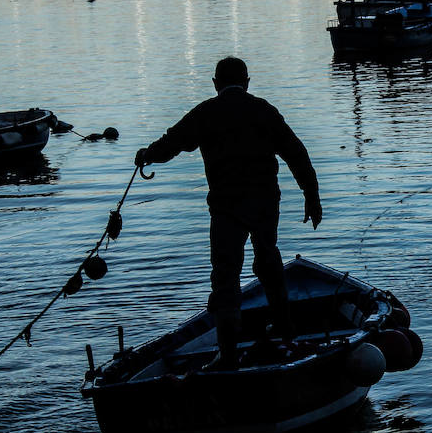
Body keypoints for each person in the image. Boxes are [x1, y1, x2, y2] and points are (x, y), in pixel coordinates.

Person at [135, 57, 322, 370]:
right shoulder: (263, 110)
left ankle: (228, 354)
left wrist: (147, 156)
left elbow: (173, 142)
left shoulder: (206, 112)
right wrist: (311, 196)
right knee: (268, 259)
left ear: (215, 83)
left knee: (226, 276)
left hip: (226, 208)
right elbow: (296, 153)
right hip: (264, 203)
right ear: (247, 82)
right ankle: (286, 330)